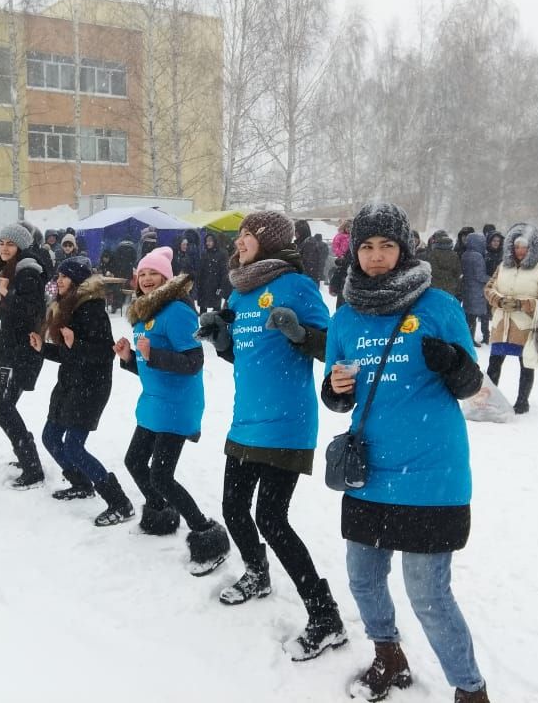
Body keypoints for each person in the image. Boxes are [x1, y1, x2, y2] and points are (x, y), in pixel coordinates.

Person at [322, 203, 489, 703]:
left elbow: (472, 384)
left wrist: (454, 362)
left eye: (386, 246)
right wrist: (336, 387)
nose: (375, 257)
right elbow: (335, 392)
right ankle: (388, 656)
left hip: (431, 471)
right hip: (370, 469)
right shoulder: (346, 315)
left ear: (404, 249)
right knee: (363, 578)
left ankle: (470, 689)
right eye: (367, 247)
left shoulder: (439, 307)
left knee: (428, 594)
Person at [196, 210, 345, 662]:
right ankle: (257, 573)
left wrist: (300, 335)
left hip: (287, 424)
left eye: (246, 236)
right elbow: (244, 357)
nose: (239, 243)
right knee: (232, 507)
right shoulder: (241, 294)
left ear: (269, 241)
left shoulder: (297, 286)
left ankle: (326, 617)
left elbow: (331, 345)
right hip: (246, 422)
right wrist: (221, 340)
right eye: (239, 237)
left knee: (273, 520)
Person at [114, 247, 230, 574]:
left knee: (161, 476)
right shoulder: (144, 312)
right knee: (134, 461)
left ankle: (206, 532)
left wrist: (152, 356)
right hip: (153, 401)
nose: (147, 279)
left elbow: (194, 363)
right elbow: (150, 365)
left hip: (178, 405)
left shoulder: (177, 311)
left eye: (154, 274)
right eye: (143, 273)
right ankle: (160, 515)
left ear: (166, 278)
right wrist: (129, 359)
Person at [29, 256, 135, 526]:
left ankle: (119, 503)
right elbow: (69, 354)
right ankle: (82, 483)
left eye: (64, 276)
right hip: (69, 382)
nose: (59, 281)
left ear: (76, 281)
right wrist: (44, 349)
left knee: (74, 446)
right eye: (58, 276)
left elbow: (104, 354)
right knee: (51, 437)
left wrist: (75, 343)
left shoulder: (92, 310)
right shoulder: (67, 308)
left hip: (91, 386)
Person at [0, 224, 50, 488]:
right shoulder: (13, 270)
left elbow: (29, 313)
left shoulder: (28, 271)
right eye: (1, 242)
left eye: (11, 243)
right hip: (12, 349)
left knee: (3, 410)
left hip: (22, 352)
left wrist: (4, 294)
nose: (4, 247)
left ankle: (33, 468)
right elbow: (10, 318)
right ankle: (27, 459)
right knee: (5, 408)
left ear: (21, 246)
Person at [484, 223, 538, 414]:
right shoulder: (502, 267)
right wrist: (499, 301)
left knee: (526, 364)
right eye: (516, 247)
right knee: (494, 364)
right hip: (501, 324)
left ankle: (522, 401)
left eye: (524, 247)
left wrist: (523, 305)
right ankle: (490, 399)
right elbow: (489, 288)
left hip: (524, 327)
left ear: (533, 248)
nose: (520, 251)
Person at [460, 232, 490, 346]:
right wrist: (492, 279)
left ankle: (467, 338)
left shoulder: (465, 254)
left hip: (467, 289)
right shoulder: (477, 256)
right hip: (476, 291)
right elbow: (480, 275)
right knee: (473, 317)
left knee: (469, 317)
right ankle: (470, 339)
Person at [421, 230, 462, 299]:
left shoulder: (433, 254)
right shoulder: (454, 255)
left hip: (436, 287)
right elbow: (458, 273)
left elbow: (433, 270)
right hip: (451, 288)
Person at [196, 232, 229, 313]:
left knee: (216, 309)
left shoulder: (222, 254)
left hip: (216, 286)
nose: (208, 243)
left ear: (215, 241)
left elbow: (224, 272)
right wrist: (198, 284)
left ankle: (215, 324)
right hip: (204, 287)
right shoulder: (204, 254)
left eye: (210, 241)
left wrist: (221, 287)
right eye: (206, 241)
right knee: (203, 310)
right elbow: (200, 270)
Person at [329, 220, 352, 308]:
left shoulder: (352, 237)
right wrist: (340, 255)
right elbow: (335, 246)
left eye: (350, 228)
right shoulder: (339, 237)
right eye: (348, 227)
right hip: (343, 257)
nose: (349, 229)